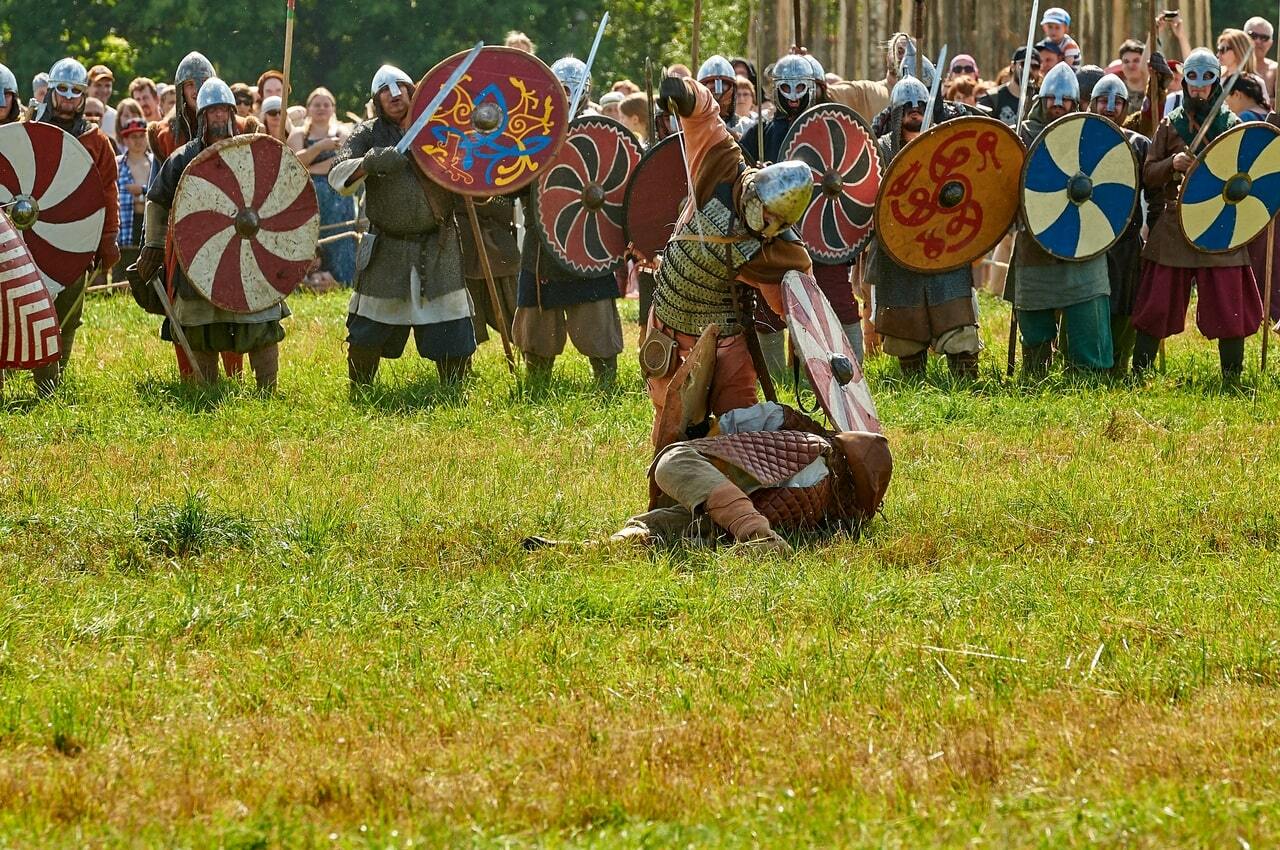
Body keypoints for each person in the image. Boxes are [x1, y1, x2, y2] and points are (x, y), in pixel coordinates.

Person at [644, 74, 814, 444]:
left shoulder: (777, 248)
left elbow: (799, 304)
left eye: (777, 223)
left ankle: (739, 487)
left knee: (739, 426)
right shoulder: (722, 166)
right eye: (766, 213)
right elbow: (705, 115)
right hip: (670, 328)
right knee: (672, 430)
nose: (767, 224)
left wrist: (816, 353)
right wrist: (684, 92)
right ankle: (673, 490)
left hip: (726, 340)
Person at [328, 64, 476, 389]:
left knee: (450, 322)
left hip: (439, 245)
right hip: (387, 248)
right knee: (369, 329)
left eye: (400, 87)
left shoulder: (440, 127)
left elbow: (472, 163)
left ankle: (455, 389)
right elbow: (337, 174)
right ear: (377, 99)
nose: (395, 95)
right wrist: (368, 162)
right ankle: (362, 388)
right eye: (385, 90)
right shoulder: (368, 133)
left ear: (412, 89)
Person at [136, 79, 288, 391]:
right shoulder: (182, 158)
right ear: (202, 117)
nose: (219, 117)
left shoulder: (252, 150)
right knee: (198, 327)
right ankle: (205, 395)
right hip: (199, 258)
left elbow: (279, 196)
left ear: (233, 114)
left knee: (261, 324)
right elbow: (157, 201)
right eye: (212, 112)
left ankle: (267, 393)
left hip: (248, 255)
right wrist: (152, 243)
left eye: (224, 111)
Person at [608, 400, 892, 555]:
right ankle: (613, 545)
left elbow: (739, 422)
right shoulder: (833, 514)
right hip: (756, 504)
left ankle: (760, 538)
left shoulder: (812, 440)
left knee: (673, 460)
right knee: (691, 520)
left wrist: (702, 432)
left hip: (770, 471)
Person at [1132, 48, 1261, 384]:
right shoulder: (1169, 125)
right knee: (1156, 302)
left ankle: (1232, 379)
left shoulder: (1232, 127)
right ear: (1185, 81)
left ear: (1216, 81)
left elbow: (1247, 176)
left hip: (1220, 221)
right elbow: (1147, 174)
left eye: (1207, 80)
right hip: (1175, 221)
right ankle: (1139, 374)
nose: (1200, 88)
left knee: (1228, 303)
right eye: (1193, 80)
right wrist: (1171, 164)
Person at [740, 52, 864, 384]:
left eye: (800, 87)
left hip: (824, 231)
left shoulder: (831, 127)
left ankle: (850, 376)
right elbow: (740, 178)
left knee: (837, 299)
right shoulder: (759, 134)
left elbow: (849, 175)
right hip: (776, 232)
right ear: (775, 88)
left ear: (812, 87)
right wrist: (757, 178)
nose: (793, 95)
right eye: (786, 87)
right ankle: (776, 377)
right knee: (769, 305)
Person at [510, 57, 623, 388]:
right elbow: (513, 183)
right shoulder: (532, 133)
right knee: (537, 325)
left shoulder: (598, 132)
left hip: (587, 240)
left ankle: (606, 383)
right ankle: (537, 382)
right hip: (541, 241)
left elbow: (616, 185)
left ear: (586, 91)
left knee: (597, 319)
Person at [148, 52, 261, 381]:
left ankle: (235, 373)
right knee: (189, 309)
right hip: (185, 237)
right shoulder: (165, 136)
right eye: (190, 84)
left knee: (237, 301)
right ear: (180, 89)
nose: (197, 91)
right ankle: (194, 377)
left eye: (203, 85)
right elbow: (159, 194)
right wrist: (152, 245)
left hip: (239, 231)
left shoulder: (245, 133)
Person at [866, 75, 981, 378]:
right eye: (907, 106)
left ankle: (965, 378)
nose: (914, 112)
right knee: (906, 330)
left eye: (920, 106)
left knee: (957, 322)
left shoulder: (947, 144)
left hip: (945, 244)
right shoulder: (880, 150)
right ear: (894, 112)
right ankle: (911, 377)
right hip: (899, 249)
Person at [1011, 62, 1114, 373]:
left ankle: (1089, 376)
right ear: (1041, 99)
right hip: (1035, 239)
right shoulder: (1022, 135)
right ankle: (1036, 375)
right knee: (1035, 318)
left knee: (1088, 315)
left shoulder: (1089, 132)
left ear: (1076, 102)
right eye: (1052, 98)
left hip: (1084, 239)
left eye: (1065, 99)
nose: (1058, 104)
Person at [30, 58, 121, 394]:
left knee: (66, 311)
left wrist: (109, 237)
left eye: (76, 92)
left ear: (84, 96)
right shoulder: (32, 131)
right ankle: (19, 370)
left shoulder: (96, 140)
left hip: (74, 239)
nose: (69, 98)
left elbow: (108, 189)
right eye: (62, 90)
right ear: (52, 92)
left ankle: (51, 382)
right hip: (30, 237)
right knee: (28, 308)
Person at [1089, 75, 1150, 374]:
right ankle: (1082, 366)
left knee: (1124, 304)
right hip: (1086, 238)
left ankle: (1118, 368)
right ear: (1092, 103)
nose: (1109, 107)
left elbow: (1154, 191)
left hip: (1126, 239)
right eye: (1103, 100)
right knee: (1087, 304)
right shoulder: (1080, 137)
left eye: (1117, 102)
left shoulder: (1139, 144)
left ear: (1127, 107)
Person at [289, 87, 355, 287]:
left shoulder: (343, 133)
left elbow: (342, 164)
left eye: (326, 104)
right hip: (306, 197)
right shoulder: (298, 135)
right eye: (316, 104)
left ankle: (342, 281)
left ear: (333, 108)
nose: (321, 108)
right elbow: (292, 165)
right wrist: (319, 147)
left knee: (338, 240)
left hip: (337, 198)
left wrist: (309, 165)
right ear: (308, 108)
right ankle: (303, 282)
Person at [115, 117, 154, 281]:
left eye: (141, 136)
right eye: (133, 137)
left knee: (147, 263)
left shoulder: (155, 163)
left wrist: (141, 191)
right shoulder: (118, 163)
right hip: (125, 223)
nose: (138, 141)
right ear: (125, 139)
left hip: (148, 221)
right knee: (123, 265)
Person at [979, 46, 1039, 126]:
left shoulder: (1041, 100)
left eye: (1035, 66)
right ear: (1013, 66)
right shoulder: (992, 98)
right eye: (1024, 64)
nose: (1029, 70)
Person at [697, 55, 744, 139]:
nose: (717, 94)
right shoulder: (692, 126)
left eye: (724, 83)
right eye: (711, 84)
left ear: (732, 90)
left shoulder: (745, 127)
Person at [1244, 16, 1278, 101]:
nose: (1258, 41)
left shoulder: (1276, 70)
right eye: (1253, 35)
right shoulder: (1227, 67)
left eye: (1264, 38)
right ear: (1243, 38)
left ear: (1270, 43)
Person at [87, 64, 117, 145]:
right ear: (87, 87)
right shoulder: (77, 113)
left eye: (107, 86)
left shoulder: (116, 117)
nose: (103, 90)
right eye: (98, 85)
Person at [1119, 39, 1147, 106]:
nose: (1131, 65)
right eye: (1126, 61)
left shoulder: (1156, 91)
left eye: (1136, 61)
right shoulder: (1117, 91)